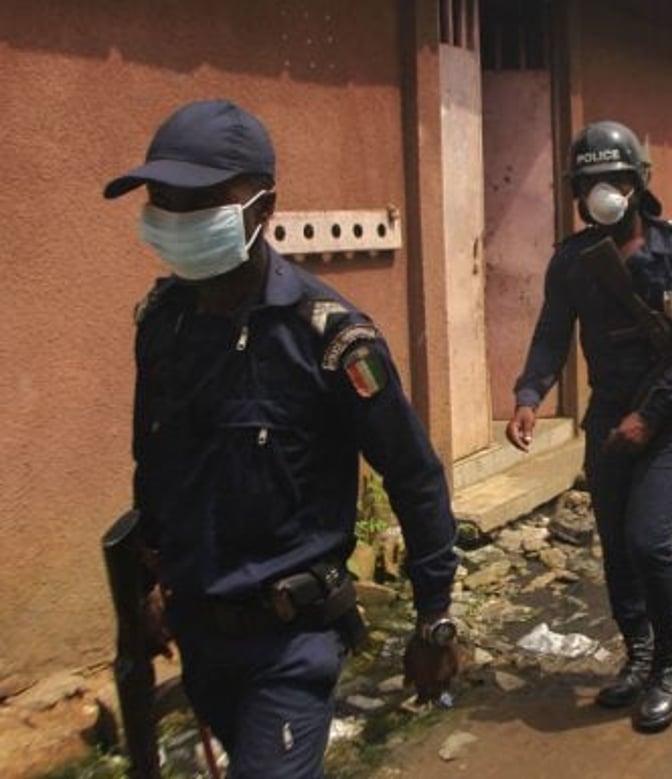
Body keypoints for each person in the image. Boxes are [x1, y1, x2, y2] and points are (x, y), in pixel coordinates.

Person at [105, 100, 459, 777]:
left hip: (288, 645)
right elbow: (153, 462)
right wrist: (149, 581)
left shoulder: (328, 337)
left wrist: (433, 615)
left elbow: (413, 475)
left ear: (264, 207)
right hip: (200, 637)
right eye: (163, 199)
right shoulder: (161, 324)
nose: (177, 218)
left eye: (201, 199)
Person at [506, 120, 672, 733]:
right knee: (617, 549)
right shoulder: (573, 261)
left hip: (668, 418)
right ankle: (639, 654)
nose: (599, 191)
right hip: (607, 417)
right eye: (588, 182)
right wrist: (529, 394)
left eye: (612, 179)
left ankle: (668, 666)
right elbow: (552, 334)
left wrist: (648, 417)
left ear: (636, 184)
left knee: (648, 540)